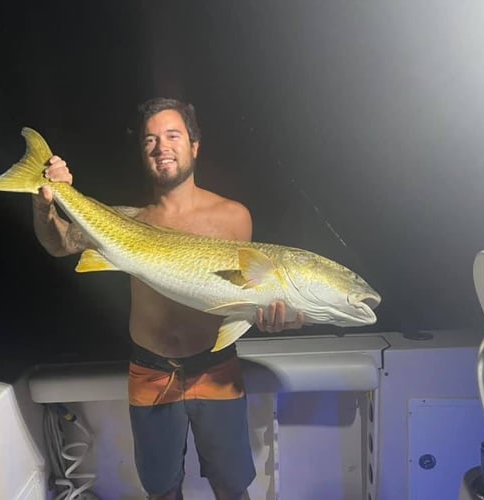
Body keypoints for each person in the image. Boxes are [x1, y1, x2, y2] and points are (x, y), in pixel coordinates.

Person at [32, 97, 305, 500]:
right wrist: (44, 202)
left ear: (194, 146)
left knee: (232, 486)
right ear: (143, 154)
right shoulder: (128, 220)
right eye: (150, 140)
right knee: (161, 489)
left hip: (216, 368)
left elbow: (246, 297)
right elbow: (59, 243)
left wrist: (270, 316)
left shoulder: (233, 217)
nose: (162, 147)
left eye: (173, 135)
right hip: (150, 371)